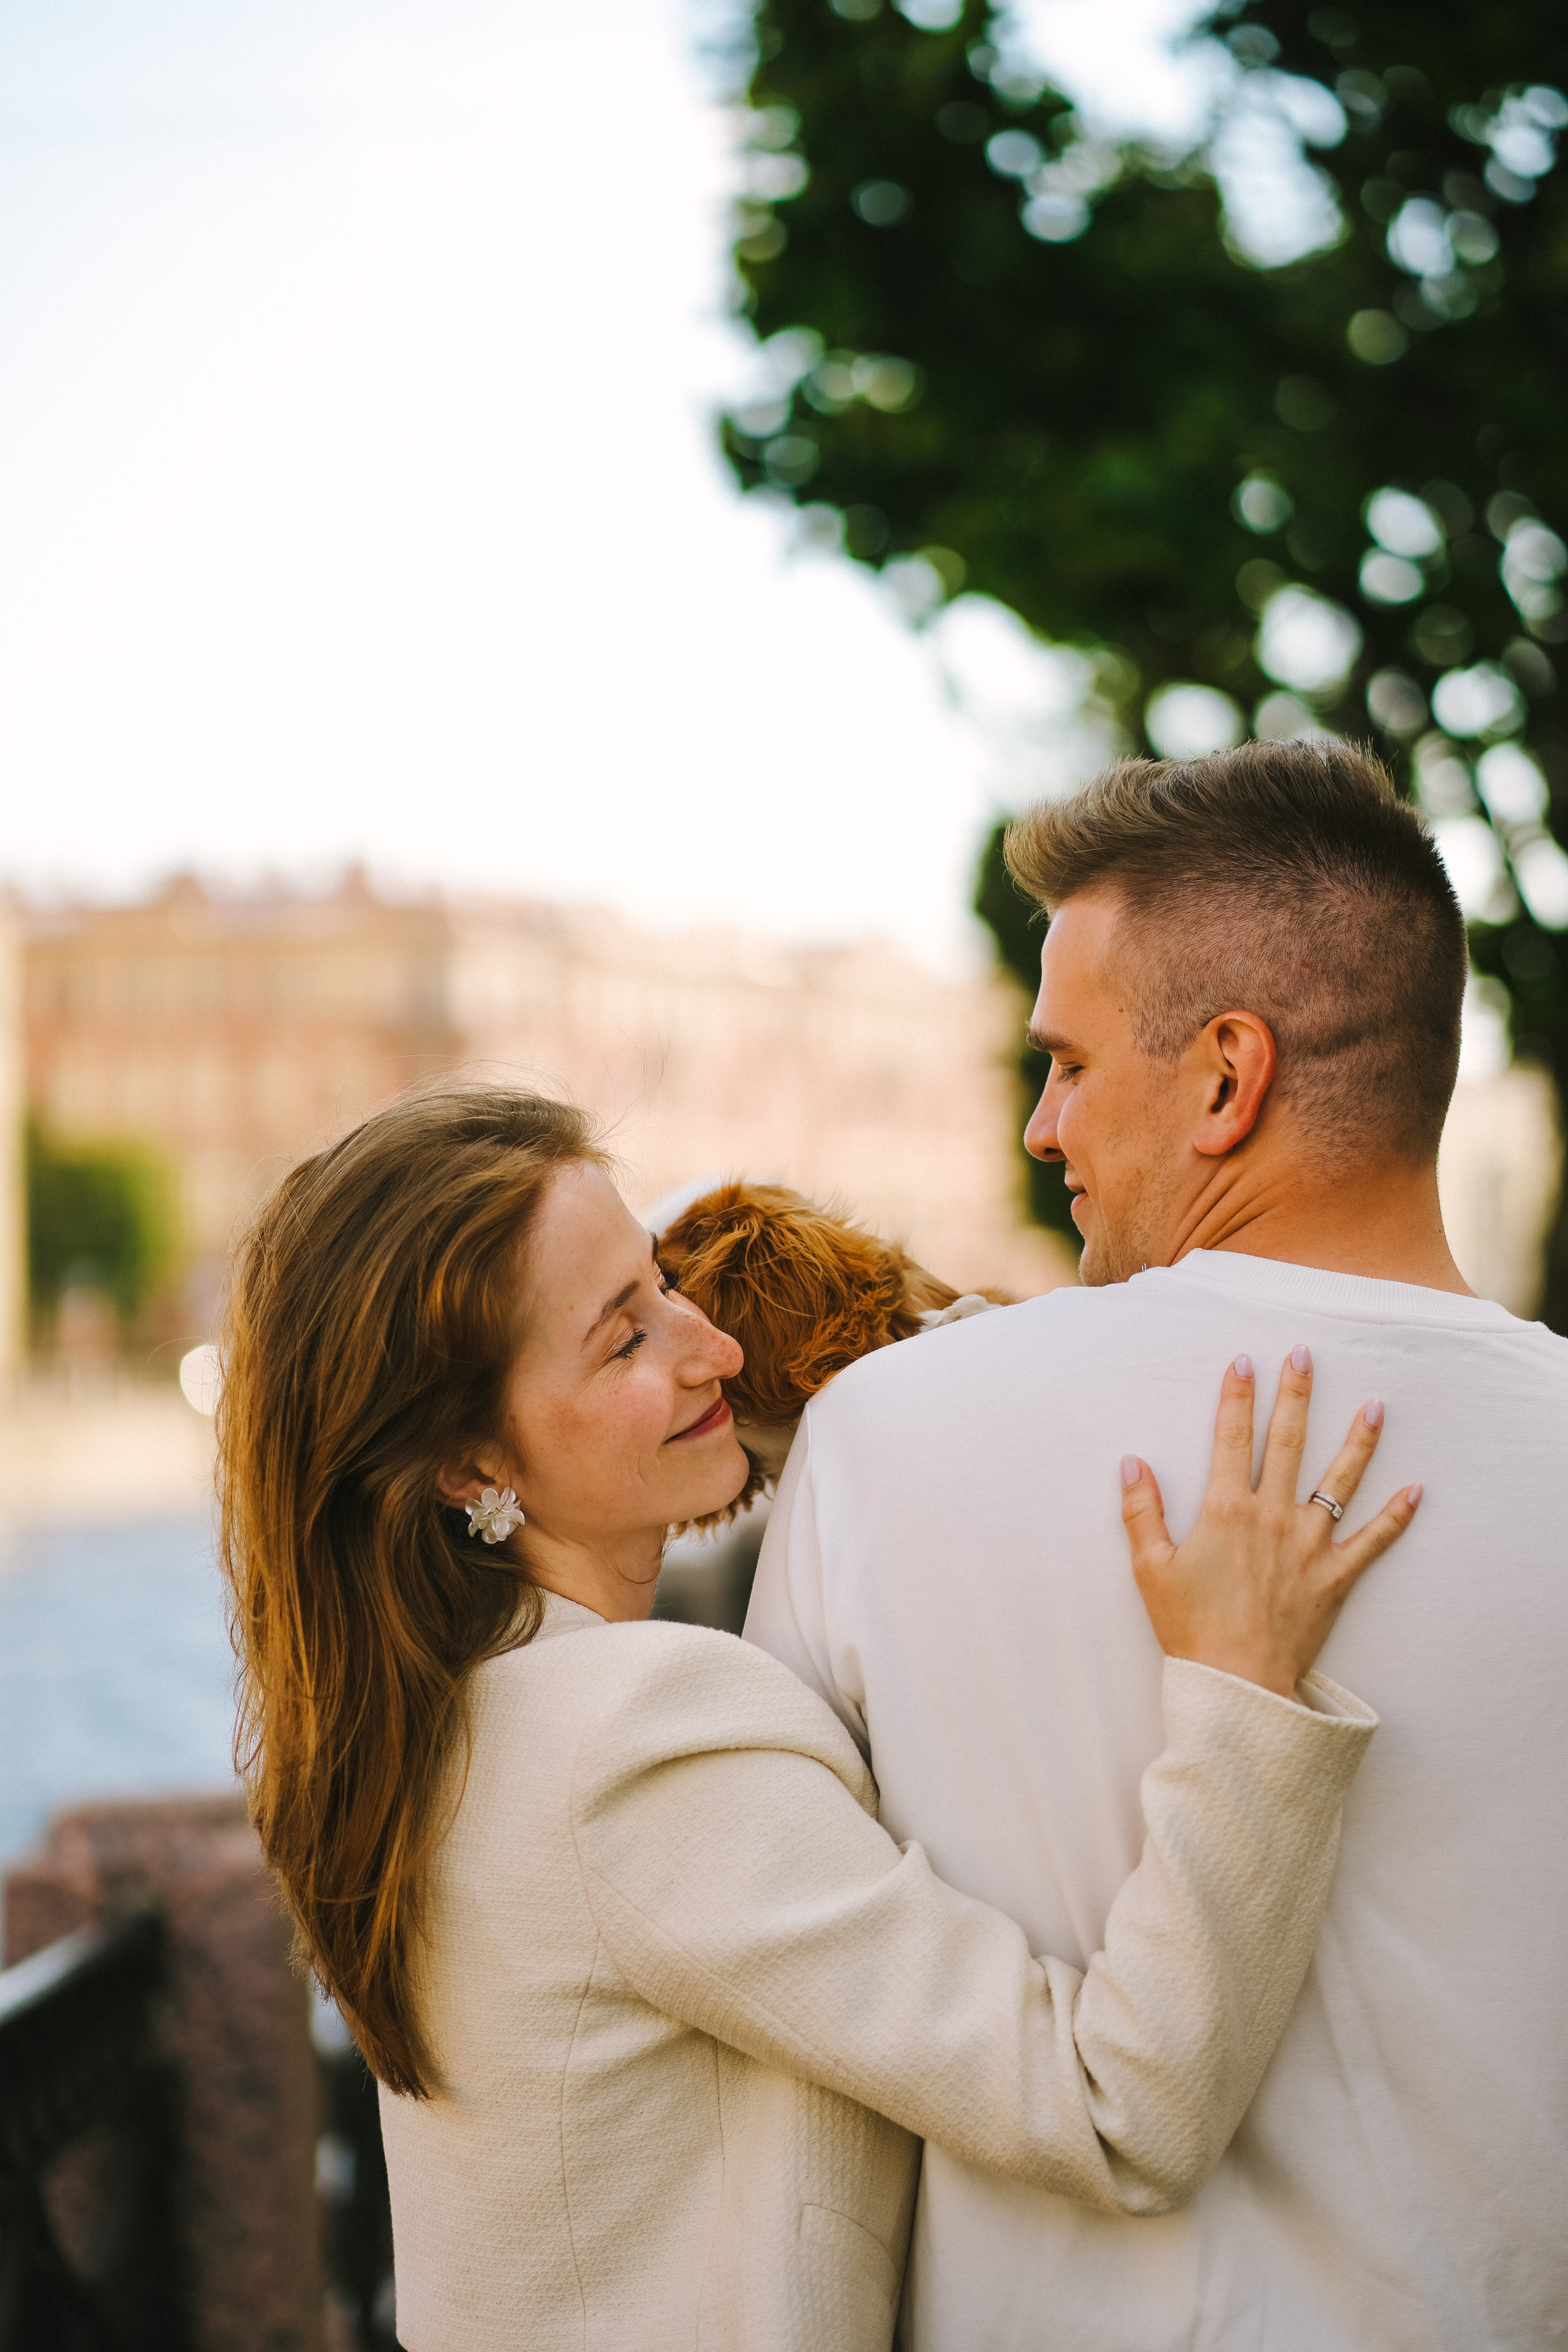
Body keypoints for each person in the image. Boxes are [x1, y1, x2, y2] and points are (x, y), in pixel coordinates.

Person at [218, 1087, 1410, 2352]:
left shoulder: (451, 1721)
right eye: (624, 1340)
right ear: (471, 1467)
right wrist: (1241, 1690)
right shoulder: (627, 1743)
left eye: (665, 1286)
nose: (711, 1349)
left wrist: (844, 1410)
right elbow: (1118, 2111)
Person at [747, 738, 1568, 2352]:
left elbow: (795, 2050)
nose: (1046, 1126)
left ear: (1224, 1076)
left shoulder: (890, 1442)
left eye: (1066, 1062)